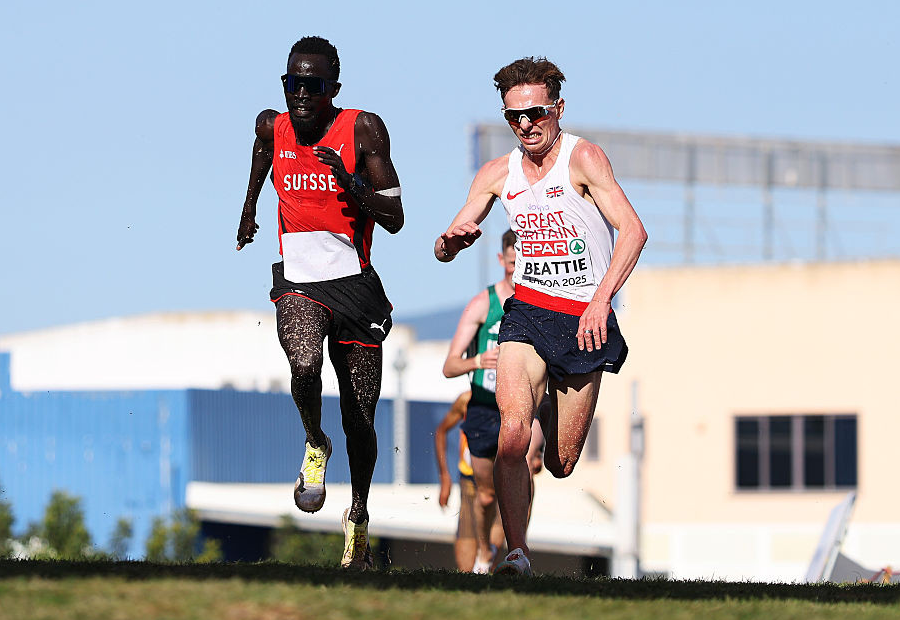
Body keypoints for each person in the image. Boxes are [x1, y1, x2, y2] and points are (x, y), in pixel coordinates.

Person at [434, 57, 647, 576]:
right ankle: (517, 554)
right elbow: (444, 243)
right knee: (511, 436)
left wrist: (601, 299)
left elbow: (634, 231)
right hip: (527, 312)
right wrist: (449, 243)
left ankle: (548, 406)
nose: (526, 124)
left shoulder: (583, 158)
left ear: (559, 108)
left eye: (536, 113)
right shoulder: (496, 174)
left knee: (560, 461)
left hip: (582, 319)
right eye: (515, 116)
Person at [235, 36, 404, 570]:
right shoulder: (273, 126)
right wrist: (248, 209)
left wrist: (351, 184)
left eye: (312, 84)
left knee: (360, 418)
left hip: (355, 287)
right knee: (304, 362)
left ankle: (359, 518)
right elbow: (262, 155)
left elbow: (396, 217)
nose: (301, 94)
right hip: (299, 282)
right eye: (292, 83)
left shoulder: (362, 129)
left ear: (333, 87)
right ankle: (314, 441)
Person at [441, 229, 545, 573]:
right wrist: (478, 361)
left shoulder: (540, 303)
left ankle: (518, 552)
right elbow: (449, 366)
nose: (517, 270)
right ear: (502, 260)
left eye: (524, 263)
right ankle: (486, 551)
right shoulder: (483, 304)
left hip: (525, 406)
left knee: (524, 462)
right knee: (486, 495)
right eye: (512, 263)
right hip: (485, 409)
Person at [433, 391, 503, 572]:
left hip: (501, 482)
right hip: (470, 481)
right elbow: (441, 431)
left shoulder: (512, 395)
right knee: (466, 568)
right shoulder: (467, 399)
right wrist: (444, 477)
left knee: (489, 563)